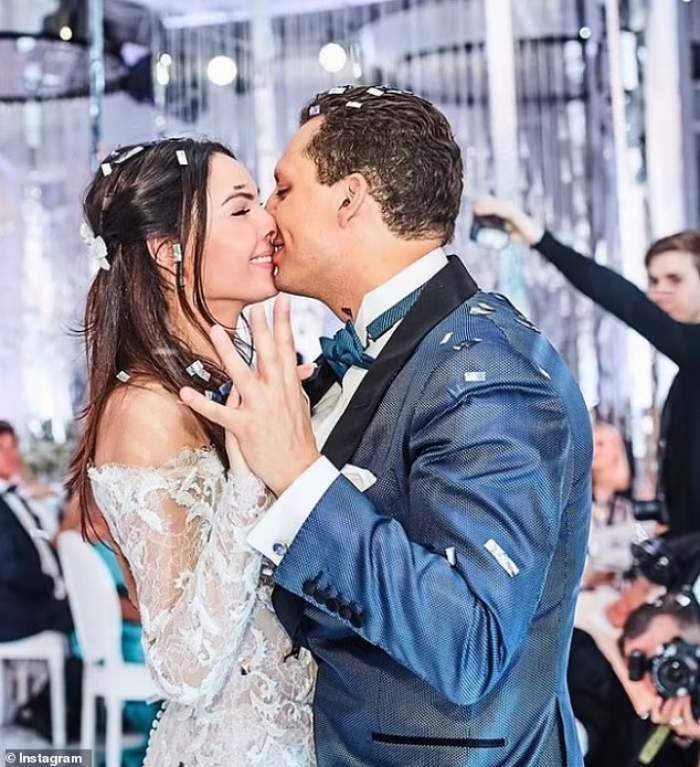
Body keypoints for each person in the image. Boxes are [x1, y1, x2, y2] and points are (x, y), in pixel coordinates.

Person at [182, 85, 593, 766]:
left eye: (284, 189)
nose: (269, 215)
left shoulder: (492, 372)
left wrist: (302, 479)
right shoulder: (395, 352)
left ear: (350, 199)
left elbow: (470, 640)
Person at [67, 139, 314, 767]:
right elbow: (182, 669)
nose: (269, 222)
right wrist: (252, 471)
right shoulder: (145, 411)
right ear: (169, 251)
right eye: (241, 209)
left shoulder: (234, 378)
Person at [472, 198, 700, 540]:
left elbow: (627, 303)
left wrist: (540, 239)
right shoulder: (687, 367)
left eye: (674, 279)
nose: (659, 292)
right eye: (653, 281)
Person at [0, 420, 72, 642]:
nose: (11, 455)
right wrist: (56, 584)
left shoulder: (15, 496)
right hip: (18, 612)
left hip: (35, 597)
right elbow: (12, 571)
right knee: (96, 602)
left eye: (13, 447)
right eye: (2, 449)